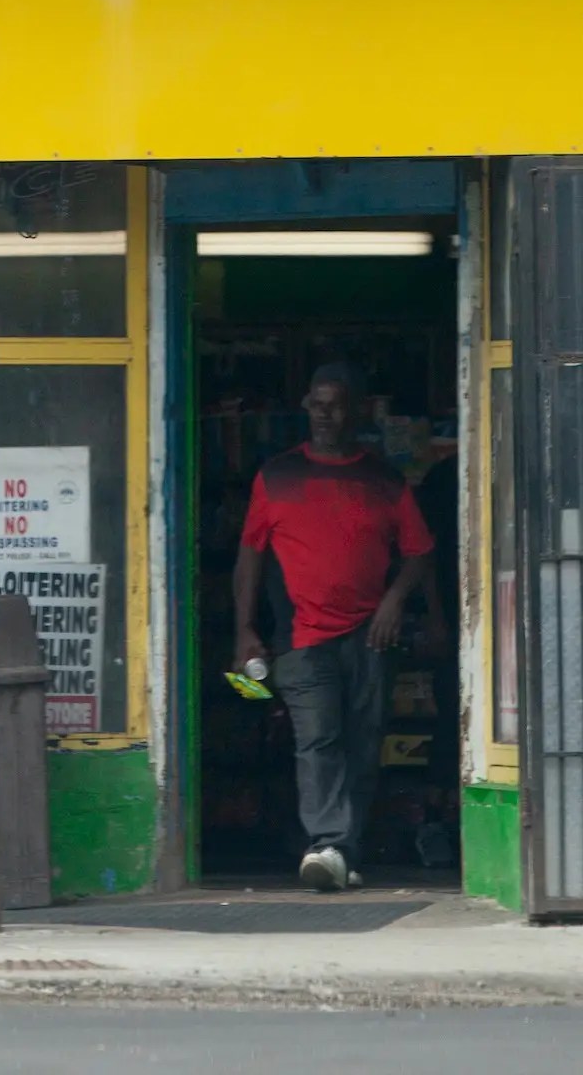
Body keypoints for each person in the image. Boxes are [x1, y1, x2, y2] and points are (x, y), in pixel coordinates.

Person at [232, 363, 435, 893]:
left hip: (371, 637)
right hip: (301, 638)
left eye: (336, 405)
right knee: (319, 740)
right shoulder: (276, 476)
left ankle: (345, 849)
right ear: (306, 406)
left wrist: (393, 602)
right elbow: (250, 555)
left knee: (364, 744)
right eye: (316, 404)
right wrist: (244, 630)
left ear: (357, 411)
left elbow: (419, 552)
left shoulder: (384, 480)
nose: (324, 414)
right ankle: (328, 843)